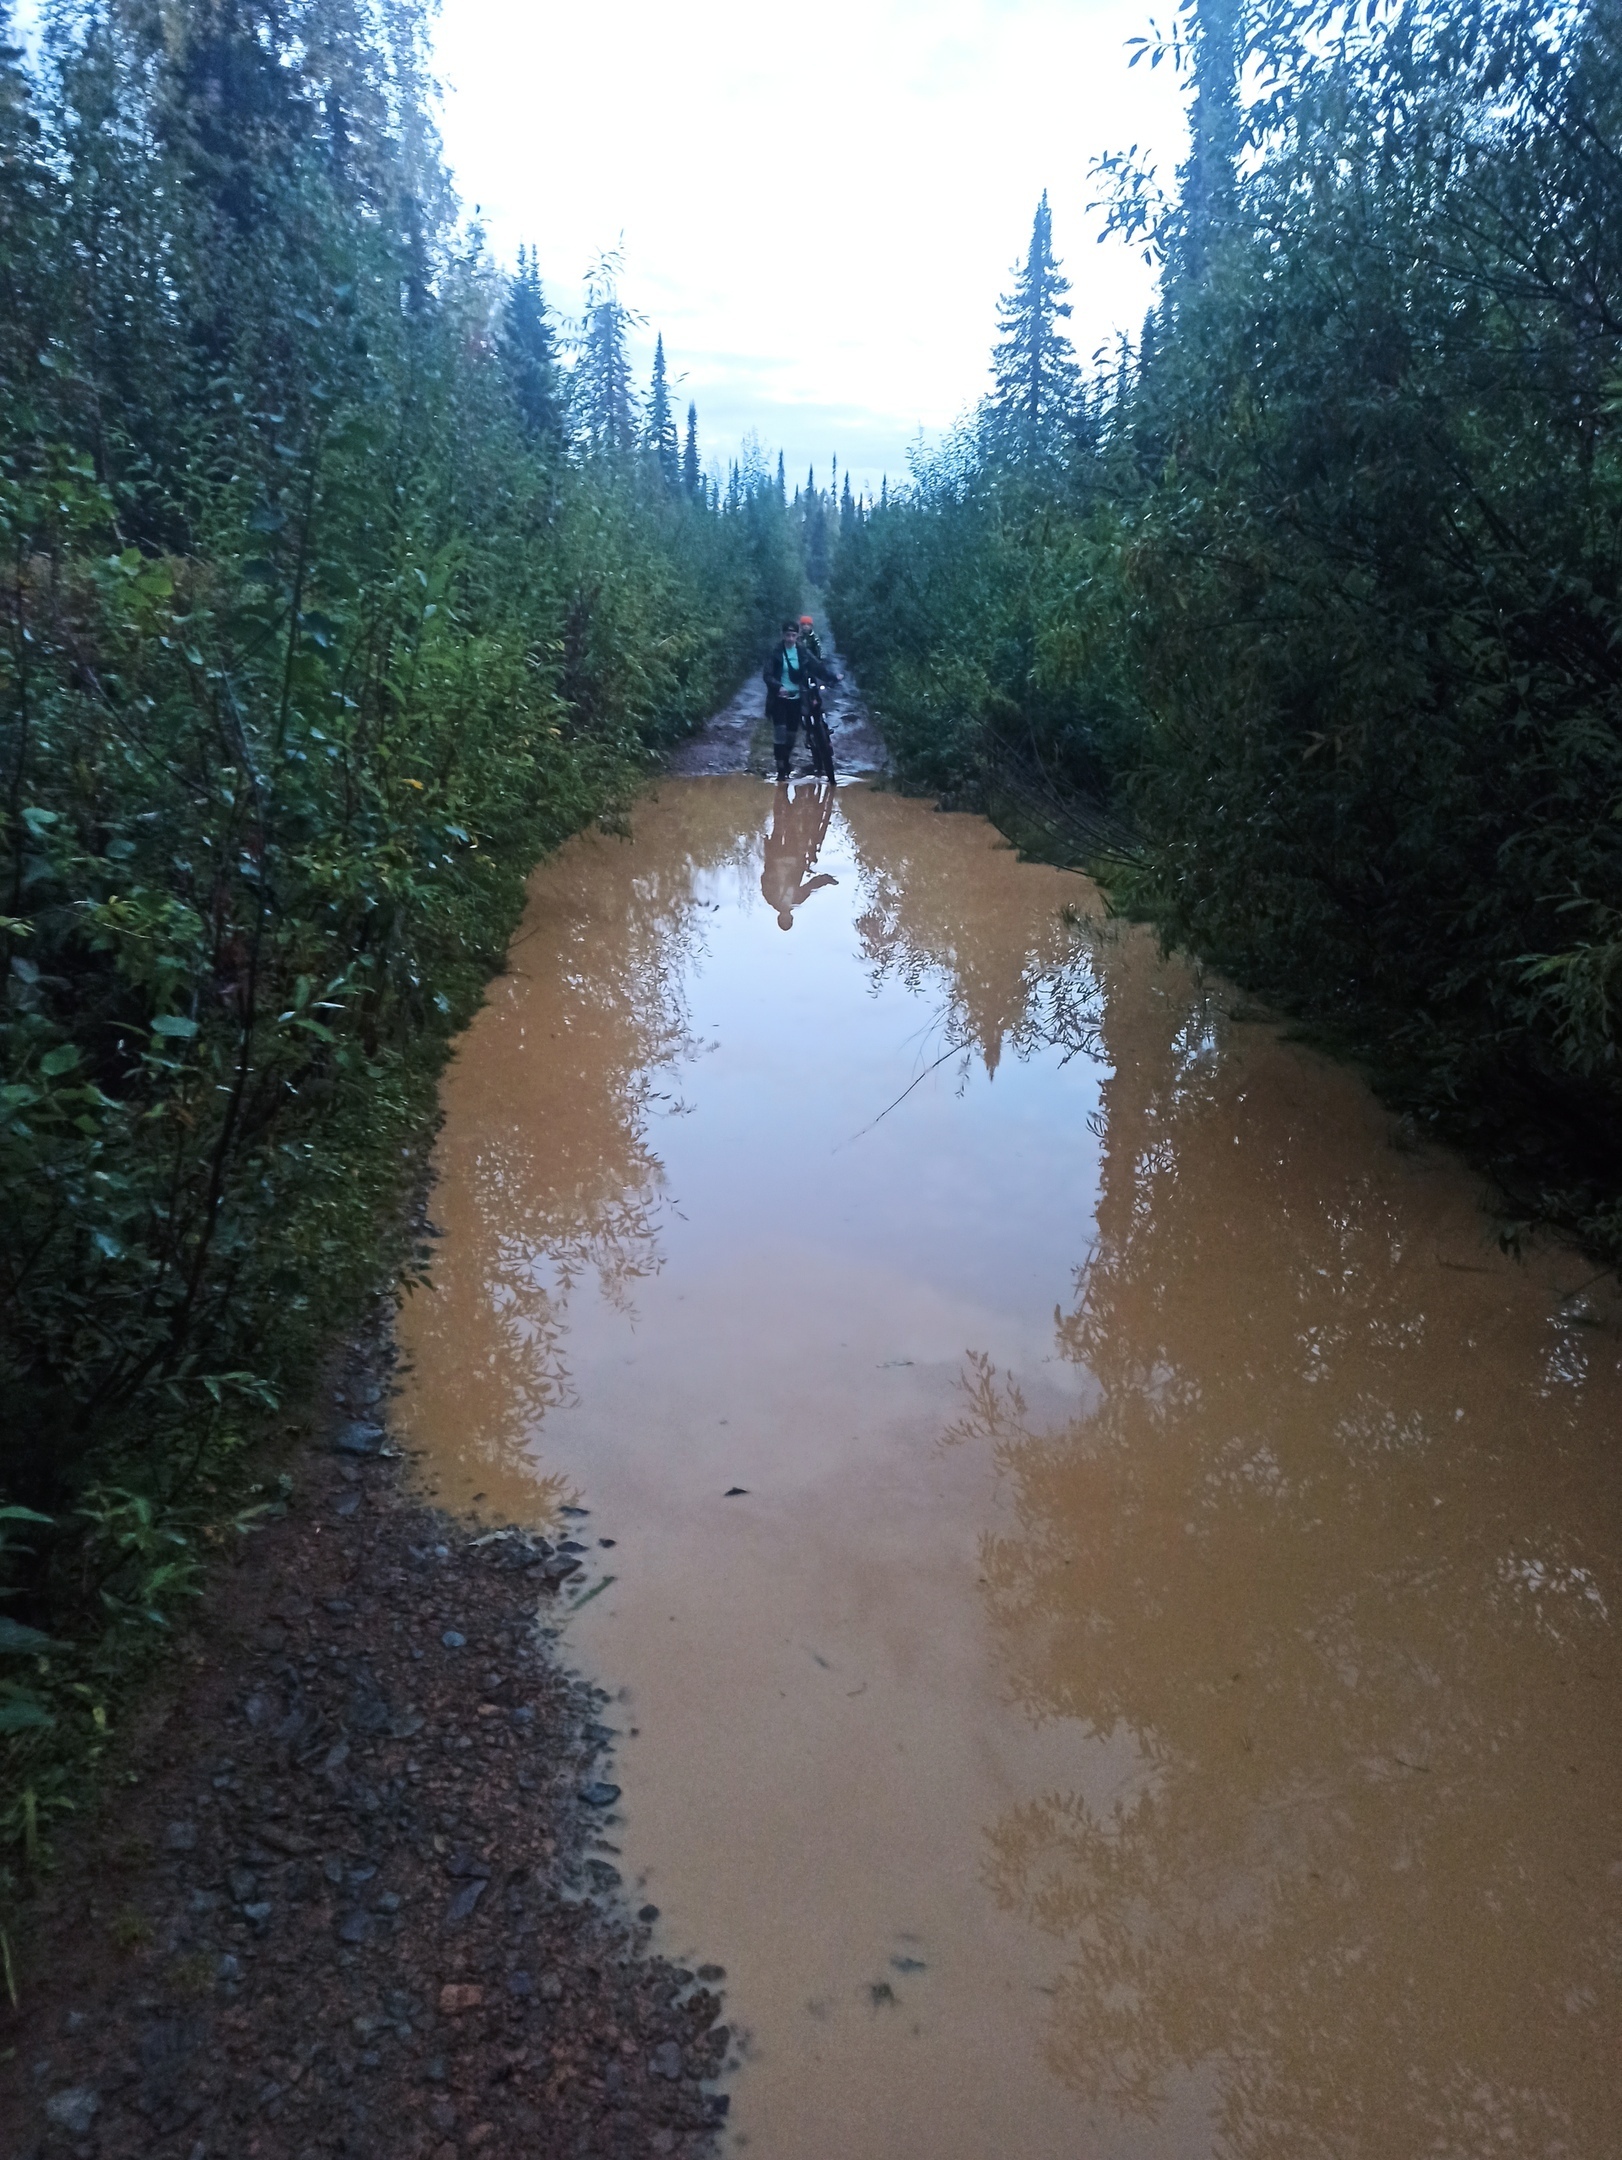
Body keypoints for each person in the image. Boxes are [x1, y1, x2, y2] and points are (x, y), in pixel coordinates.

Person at [761, 619, 838, 784]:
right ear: (783, 635)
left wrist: (832, 677)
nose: (790, 638)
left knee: (791, 735)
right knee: (780, 734)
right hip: (779, 699)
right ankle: (781, 770)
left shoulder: (803, 652)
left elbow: (817, 667)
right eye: (787, 635)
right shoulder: (775, 652)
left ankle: (786, 760)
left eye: (793, 635)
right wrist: (778, 686)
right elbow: (767, 675)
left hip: (797, 699)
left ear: (797, 636)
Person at [760, 779, 838, 929]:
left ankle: (782, 789)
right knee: (794, 826)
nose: (786, 917)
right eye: (788, 920)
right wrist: (827, 880)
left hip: (777, 857)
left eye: (784, 920)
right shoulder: (797, 899)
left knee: (780, 820)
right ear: (791, 918)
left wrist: (770, 860)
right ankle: (795, 794)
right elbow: (811, 886)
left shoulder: (770, 898)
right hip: (794, 857)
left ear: (779, 918)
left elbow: (765, 877)